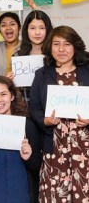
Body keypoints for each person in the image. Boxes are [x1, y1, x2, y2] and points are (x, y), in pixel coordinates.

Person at [30, 26, 89, 202]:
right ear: (50, 47)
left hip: (84, 147)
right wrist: (45, 120)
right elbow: (34, 107)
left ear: (75, 47)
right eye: (56, 44)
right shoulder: (41, 74)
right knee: (55, 196)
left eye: (67, 44)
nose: (61, 49)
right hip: (54, 147)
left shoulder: (87, 71)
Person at [14, 10, 53, 103]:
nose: (37, 32)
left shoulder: (55, 56)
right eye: (32, 28)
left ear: (48, 30)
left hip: (50, 111)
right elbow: (17, 93)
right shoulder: (17, 57)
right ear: (26, 30)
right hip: (26, 110)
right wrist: (11, 82)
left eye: (42, 28)